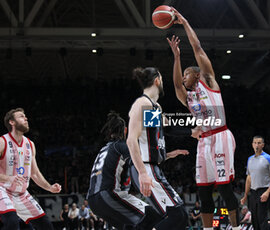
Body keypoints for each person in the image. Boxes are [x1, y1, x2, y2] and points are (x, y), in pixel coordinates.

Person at [167, 8, 239, 230]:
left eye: (187, 73)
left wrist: (185, 22)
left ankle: (237, 227)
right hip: (204, 142)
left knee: (225, 189)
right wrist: (177, 57)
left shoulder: (209, 81)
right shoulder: (187, 98)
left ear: (197, 75)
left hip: (221, 136)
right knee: (204, 191)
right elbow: (177, 85)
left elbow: (197, 48)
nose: (184, 77)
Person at [127, 67, 201, 230]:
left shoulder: (154, 106)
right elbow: (131, 141)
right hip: (146, 169)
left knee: (172, 216)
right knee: (178, 215)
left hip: (152, 167)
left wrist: (191, 132)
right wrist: (142, 173)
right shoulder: (142, 104)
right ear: (157, 81)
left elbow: (166, 129)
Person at [87, 111, 162, 230]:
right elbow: (146, 157)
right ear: (125, 130)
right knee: (153, 215)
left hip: (92, 200)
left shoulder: (104, 149)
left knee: (130, 225)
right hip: (108, 194)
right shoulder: (122, 146)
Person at [0, 108, 61, 230]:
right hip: (3, 189)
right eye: (21, 116)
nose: (26, 118)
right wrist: (9, 178)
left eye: (25, 116)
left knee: (46, 226)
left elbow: (35, 173)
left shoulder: (30, 144)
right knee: (12, 222)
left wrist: (49, 187)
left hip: (22, 193)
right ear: (12, 122)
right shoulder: (2, 141)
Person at [240, 136, 270, 230]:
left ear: (263, 145)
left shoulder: (269, 158)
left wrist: (267, 192)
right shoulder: (250, 159)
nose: (256, 145)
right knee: (254, 219)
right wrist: (245, 195)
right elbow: (249, 178)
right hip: (253, 192)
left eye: (259, 143)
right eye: (255, 143)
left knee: (262, 218)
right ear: (252, 144)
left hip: (264, 190)